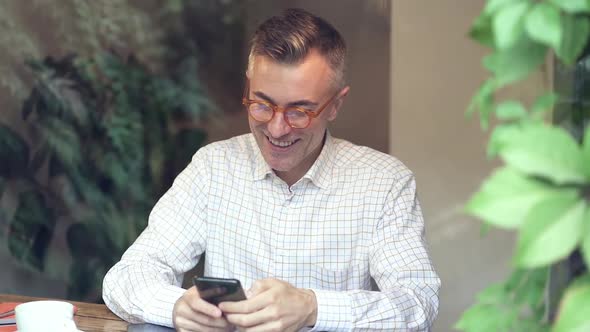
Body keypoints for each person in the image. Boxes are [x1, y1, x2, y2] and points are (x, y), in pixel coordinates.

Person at [103, 8, 440, 331]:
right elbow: (128, 276)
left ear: (336, 104)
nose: (277, 129)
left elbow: (417, 304)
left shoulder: (385, 183)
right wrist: (176, 307)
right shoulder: (213, 168)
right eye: (262, 104)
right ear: (248, 86)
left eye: (299, 112)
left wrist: (312, 308)